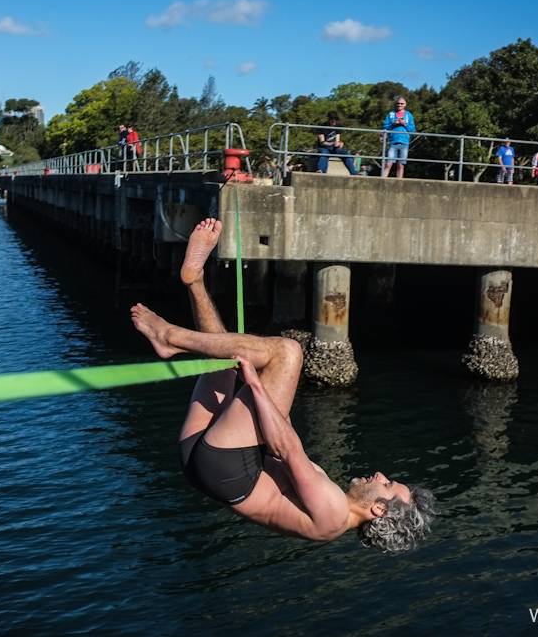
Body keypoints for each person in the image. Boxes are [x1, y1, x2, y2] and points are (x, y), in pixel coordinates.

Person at [131, 219, 435, 554]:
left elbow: (288, 448)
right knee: (226, 364)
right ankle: (195, 282)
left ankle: (169, 337)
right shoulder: (332, 506)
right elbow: (283, 439)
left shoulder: (333, 514)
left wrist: (258, 387)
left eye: (387, 484)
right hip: (211, 467)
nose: (380, 475)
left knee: (288, 352)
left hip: (226, 469)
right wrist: (262, 386)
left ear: (379, 509)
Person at [315, 111, 358, 175]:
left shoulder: (337, 127)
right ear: (328, 119)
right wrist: (332, 144)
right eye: (332, 120)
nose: (334, 122)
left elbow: (338, 140)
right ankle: (321, 171)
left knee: (347, 154)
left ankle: (354, 173)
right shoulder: (322, 127)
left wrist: (340, 144)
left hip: (334, 148)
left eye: (336, 121)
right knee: (323, 154)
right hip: (324, 148)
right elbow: (322, 142)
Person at [382, 97, 415, 178]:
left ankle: (399, 182)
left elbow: (412, 129)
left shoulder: (408, 115)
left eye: (401, 103)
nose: (399, 105)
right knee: (388, 164)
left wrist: (405, 124)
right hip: (393, 142)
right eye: (398, 103)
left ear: (405, 105)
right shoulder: (391, 114)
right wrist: (393, 124)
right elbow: (385, 127)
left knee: (401, 165)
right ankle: (382, 180)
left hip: (404, 142)